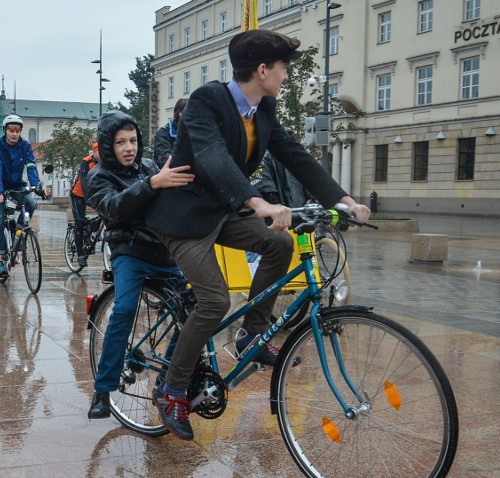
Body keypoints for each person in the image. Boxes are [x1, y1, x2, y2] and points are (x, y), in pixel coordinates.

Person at [144, 29, 371, 441]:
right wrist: (258, 202)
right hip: (184, 218)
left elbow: (296, 156)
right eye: (283, 68)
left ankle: (253, 332)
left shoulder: (263, 111)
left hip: (222, 211)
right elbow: (212, 155)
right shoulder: (206, 102)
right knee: (213, 301)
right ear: (262, 69)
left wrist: (343, 199)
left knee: (279, 243)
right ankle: (171, 389)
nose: (285, 76)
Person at [85, 110, 194, 419]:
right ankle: (103, 391)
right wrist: (153, 184)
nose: (128, 147)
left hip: (164, 252)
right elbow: (114, 208)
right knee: (124, 310)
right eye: (120, 142)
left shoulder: (147, 166)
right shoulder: (99, 176)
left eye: (132, 140)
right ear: (108, 146)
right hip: (130, 252)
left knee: (193, 312)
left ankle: (168, 381)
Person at [0, 114, 44, 279]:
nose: (14, 133)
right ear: (5, 130)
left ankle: (18, 234)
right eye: (11, 130)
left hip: (16, 184)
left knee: (31, 204)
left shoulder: (25, 145)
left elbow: (31, 165)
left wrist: (37, 186)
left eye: (18, 130)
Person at [70, 142, 100, 267]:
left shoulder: (105, 164)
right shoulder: (86, 162)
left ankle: (88, 234)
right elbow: (84, 181)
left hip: (93, 195)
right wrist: (88, 199)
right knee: (80, 223)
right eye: (98, 152)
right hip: (78, 195)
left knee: (103, 218)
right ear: (94, 152)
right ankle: (80, 254)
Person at [152, 97, 188, 168]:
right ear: (180, 114)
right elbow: (166, 160)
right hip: (168, 176)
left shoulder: (195, 131)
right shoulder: (163, 133)